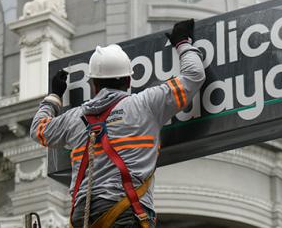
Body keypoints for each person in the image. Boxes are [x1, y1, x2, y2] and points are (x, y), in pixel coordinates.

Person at [30, 19, 205, 228]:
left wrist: (54, 95)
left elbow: (38, 129)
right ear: (129, 81)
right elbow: (194, 75)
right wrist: (182, 42)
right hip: (124, 213)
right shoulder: (145, 104)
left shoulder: (74, 118)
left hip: (82, 216)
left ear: (94, 85)